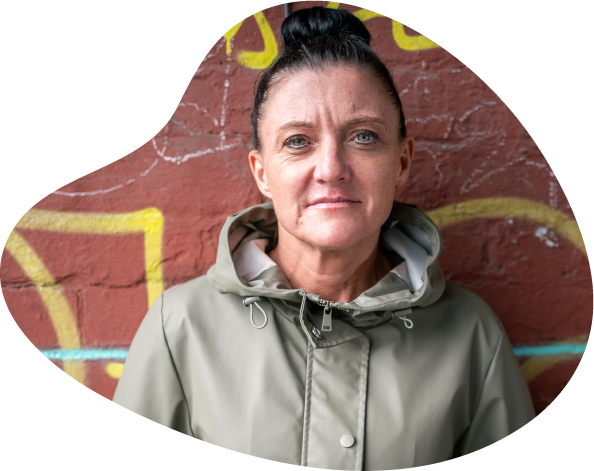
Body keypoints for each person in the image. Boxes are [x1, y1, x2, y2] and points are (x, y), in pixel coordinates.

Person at [113, 7, 535, 470]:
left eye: (365, 137)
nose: (331, 169)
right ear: (262, 173)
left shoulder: (472, 335)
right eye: (297, 141)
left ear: (401, 161)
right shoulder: (181, 329)